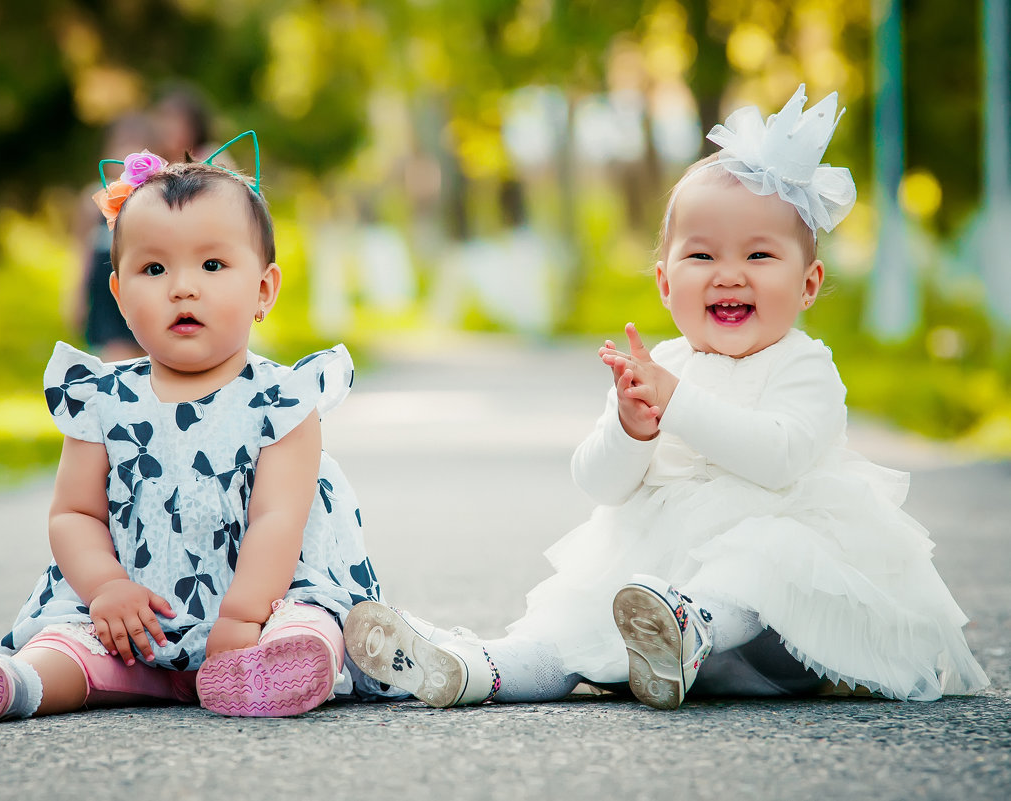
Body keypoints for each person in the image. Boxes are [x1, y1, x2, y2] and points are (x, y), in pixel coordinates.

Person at [342, 85, 990, 710]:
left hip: (779, 631)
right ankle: (476, 667)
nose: (729, 272)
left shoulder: (803, 365)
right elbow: (600, 484)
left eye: (760, 255)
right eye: (702, 254)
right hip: (653, 602)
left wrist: (676, 403)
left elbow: (780, 457)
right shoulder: (663, 366)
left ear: (809, 283)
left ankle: (691, 623)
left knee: (765, 555)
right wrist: (631, 428)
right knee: (572, 617)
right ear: (664, 281)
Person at [0, 135, 400, 720]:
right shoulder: (102, 399)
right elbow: (75, 513)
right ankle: (12, 684)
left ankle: (283, 672)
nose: (182, 286)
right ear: (119, 295)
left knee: (309, 620)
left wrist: (243, 616)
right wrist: (105, 590)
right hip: (136, 620)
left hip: (260, 606)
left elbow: (279, 518)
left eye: (213, 264)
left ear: (263, 290)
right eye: (153, 268)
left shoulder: (283, 399)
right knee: (70, 642)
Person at [72, 112, 152, 361]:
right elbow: (80, 253)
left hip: (142, 285)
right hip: (105, 290)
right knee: (113, 359)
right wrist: (76, 297)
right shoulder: (93, 198)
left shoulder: (154, 197)